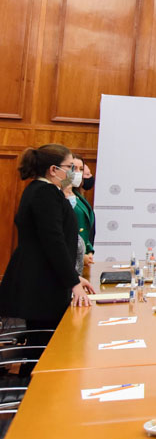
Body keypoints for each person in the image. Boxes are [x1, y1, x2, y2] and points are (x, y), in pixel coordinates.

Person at [0, 145, 95, 354]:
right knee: (43, 350)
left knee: (44, 347)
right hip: (41, 286)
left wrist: (74, 278)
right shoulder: (45, 193)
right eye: (70, 167)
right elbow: (54, 242)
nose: (73, 173)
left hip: (44, 281)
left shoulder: (43, 191)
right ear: (54, 169)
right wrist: (72, 282)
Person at [69, 155, 95, 268]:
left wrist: (89, 251)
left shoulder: (78, 196)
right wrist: (80, 255)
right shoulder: (59, 195)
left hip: (81, 257)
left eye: (81, 169)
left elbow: (86, 228)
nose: (78, 173)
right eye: (73, 168)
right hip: (71, 256)